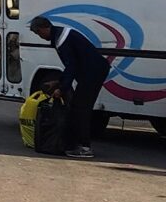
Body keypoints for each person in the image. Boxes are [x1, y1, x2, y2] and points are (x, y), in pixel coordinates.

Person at [28, 12, 109, 158]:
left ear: (45, 27)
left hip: (93, 73)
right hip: (92, 71)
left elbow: (72, 66)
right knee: (79, 107)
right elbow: (73, 65)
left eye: (39, 32)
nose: (40, 36)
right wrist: (59, 81)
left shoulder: (62, 40)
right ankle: (78, 144)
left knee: (80, 109)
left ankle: (84, 147)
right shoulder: (61, 35)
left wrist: (62, 88)